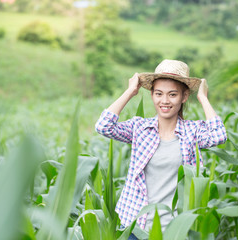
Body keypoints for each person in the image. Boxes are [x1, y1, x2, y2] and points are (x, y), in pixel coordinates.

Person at [95, 59, 227, 238]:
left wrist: (203, 97)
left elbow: (219, 135)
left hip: (176, 229)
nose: (164, 101)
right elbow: (104, 126)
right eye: (158, 93)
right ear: (152, 95)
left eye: (172, 94)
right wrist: (130, 91)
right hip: (136, 227)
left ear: (184, 96)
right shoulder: (140, 129)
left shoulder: (192, 132)